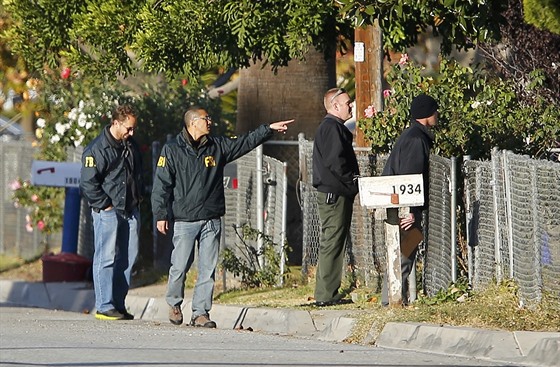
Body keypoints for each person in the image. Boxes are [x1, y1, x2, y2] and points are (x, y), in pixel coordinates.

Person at [151, 106, 294, 328]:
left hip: (211, 218)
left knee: (208, 269)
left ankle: (201, 313)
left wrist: (268, 129)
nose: (210, 122)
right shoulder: (172, 151)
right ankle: (174, 303)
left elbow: (244, 142)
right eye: (206, 118)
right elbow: (161, 185)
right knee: (179, 266)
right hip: (185, 220)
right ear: (192, 123)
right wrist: (161, 214)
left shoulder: (216, 146)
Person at [80, 104, 144, 320]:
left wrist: (138, 200)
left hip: (130, 209)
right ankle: (104, 305)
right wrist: (105, 205)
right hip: (107, 210)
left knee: (128, 258)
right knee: (105, 257)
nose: (131, 133)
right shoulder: (97, 149)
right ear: (116, 123)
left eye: (133, 129)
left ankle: (118, 303)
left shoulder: (130, 145)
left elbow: (137, 175)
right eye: (128, 128)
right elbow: (88, 183)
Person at [381, 93, 439, 306]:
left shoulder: (411, 135)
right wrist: (411, 210)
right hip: (405, 208)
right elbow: (410, 178)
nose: (437, 115)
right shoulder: (416, 140)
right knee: (404, 253)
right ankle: (391, 301)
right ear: (426, 115)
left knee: (402, 252)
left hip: (401, 205)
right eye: (434, 111)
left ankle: (394, 299)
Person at [312, 88, 360, 307]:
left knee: (333, 242)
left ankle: (327, 291)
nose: (351, 106)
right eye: (347, 103)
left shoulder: (334, 128)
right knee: (332, 242)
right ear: (334, 106)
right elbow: (336, 162)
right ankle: (326, 294)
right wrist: (351, 181)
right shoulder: (331, 128)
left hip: (337, 192)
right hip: (334, 194)